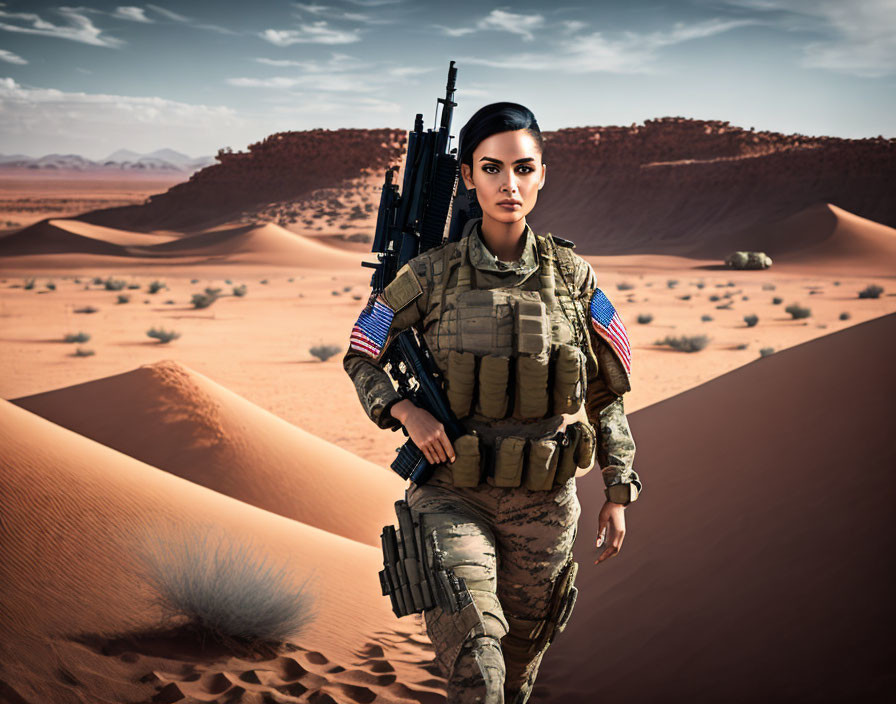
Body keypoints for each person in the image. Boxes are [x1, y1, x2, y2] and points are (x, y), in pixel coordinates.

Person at [343, 102, 641, 704]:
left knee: (519, 670)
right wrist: (404, 409)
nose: (510, 184)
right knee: (477, 663)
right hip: (452, 491)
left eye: (524, 169)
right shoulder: (428, 275)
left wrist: (618, 489)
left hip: (547, 508)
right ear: (467, 177)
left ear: (542, 175)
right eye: (492, 168)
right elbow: (361, 350)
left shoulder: (574, 276)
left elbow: (609, 389)